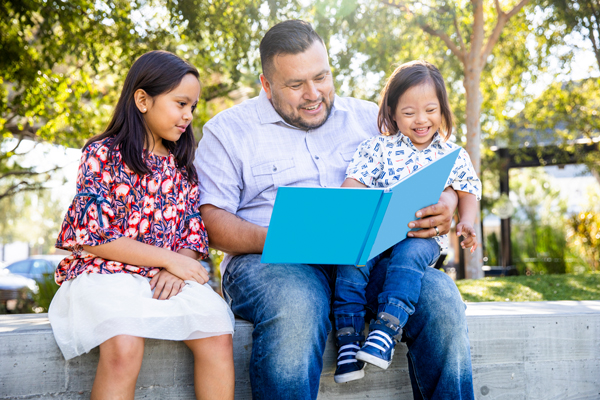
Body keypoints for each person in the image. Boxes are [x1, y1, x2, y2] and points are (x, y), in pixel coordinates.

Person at [195, 20, 475, 399]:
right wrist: (286, 237)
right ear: (266, 85)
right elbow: (210, 221)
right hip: (271, 261)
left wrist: (447, 204)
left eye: (322, 77)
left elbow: (440, 167)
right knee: (296, 308)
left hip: (369, 260)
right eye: (296, 85)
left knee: (441, 299)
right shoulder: (227, 132)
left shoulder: (373, 120)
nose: (313, 94)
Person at [48, 50, 235, 400]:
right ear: (142, 100)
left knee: (217, 333)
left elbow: (193, 233)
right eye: (181, 103)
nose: (188, 115)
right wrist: (168, 259)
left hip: (165, 276)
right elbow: (93, 236)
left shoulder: (182, 166)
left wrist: (179, 265)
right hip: (105, 274)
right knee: (124, 345)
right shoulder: (101, 154)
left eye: (192, 107)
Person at [333, 60, 481, 383]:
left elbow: (467, 192)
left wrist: (466, 222)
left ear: (443, 110)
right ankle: (348, 341)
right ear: (393, 111)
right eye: (409, 112)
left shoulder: (452, 155)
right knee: (351, 259)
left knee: (410, 256)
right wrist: (348, 204)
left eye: (430, 110)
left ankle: (386, 330)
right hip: (378, 233)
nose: (421, 120)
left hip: (420, 237)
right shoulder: (376, 148)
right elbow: (353, 187)